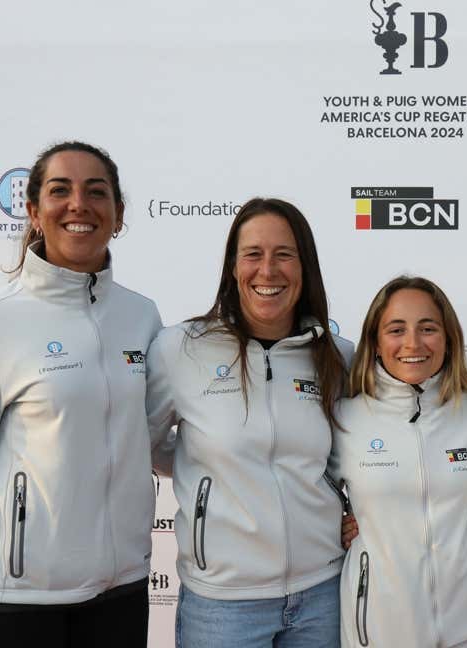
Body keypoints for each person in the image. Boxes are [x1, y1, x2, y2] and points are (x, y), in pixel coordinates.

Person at [0, 142, 163, 648]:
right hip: (19, 602)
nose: (79, 204)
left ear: (118, 214)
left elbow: (155, 437)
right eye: (60, 191)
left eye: (97, 192)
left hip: (121, 594)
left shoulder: (141, 318)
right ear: (34, 211)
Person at [144, 197, 351, 648]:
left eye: (284, 255)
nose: (268, 270)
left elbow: (364, 455)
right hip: (222, 604)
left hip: (323, 593)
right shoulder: (181, 349)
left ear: (305, 266)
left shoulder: (338, 357)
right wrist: (197, 469)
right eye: (253, 254)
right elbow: (143, 441)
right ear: (233, 267)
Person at [329, 276, 467, 648]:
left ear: (448, 338)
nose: (412, 344)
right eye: (396, 329)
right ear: (374, 341)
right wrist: (331, 524)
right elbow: (303, 492)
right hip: (379, 634)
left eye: (428, 328)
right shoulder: (345, 418)